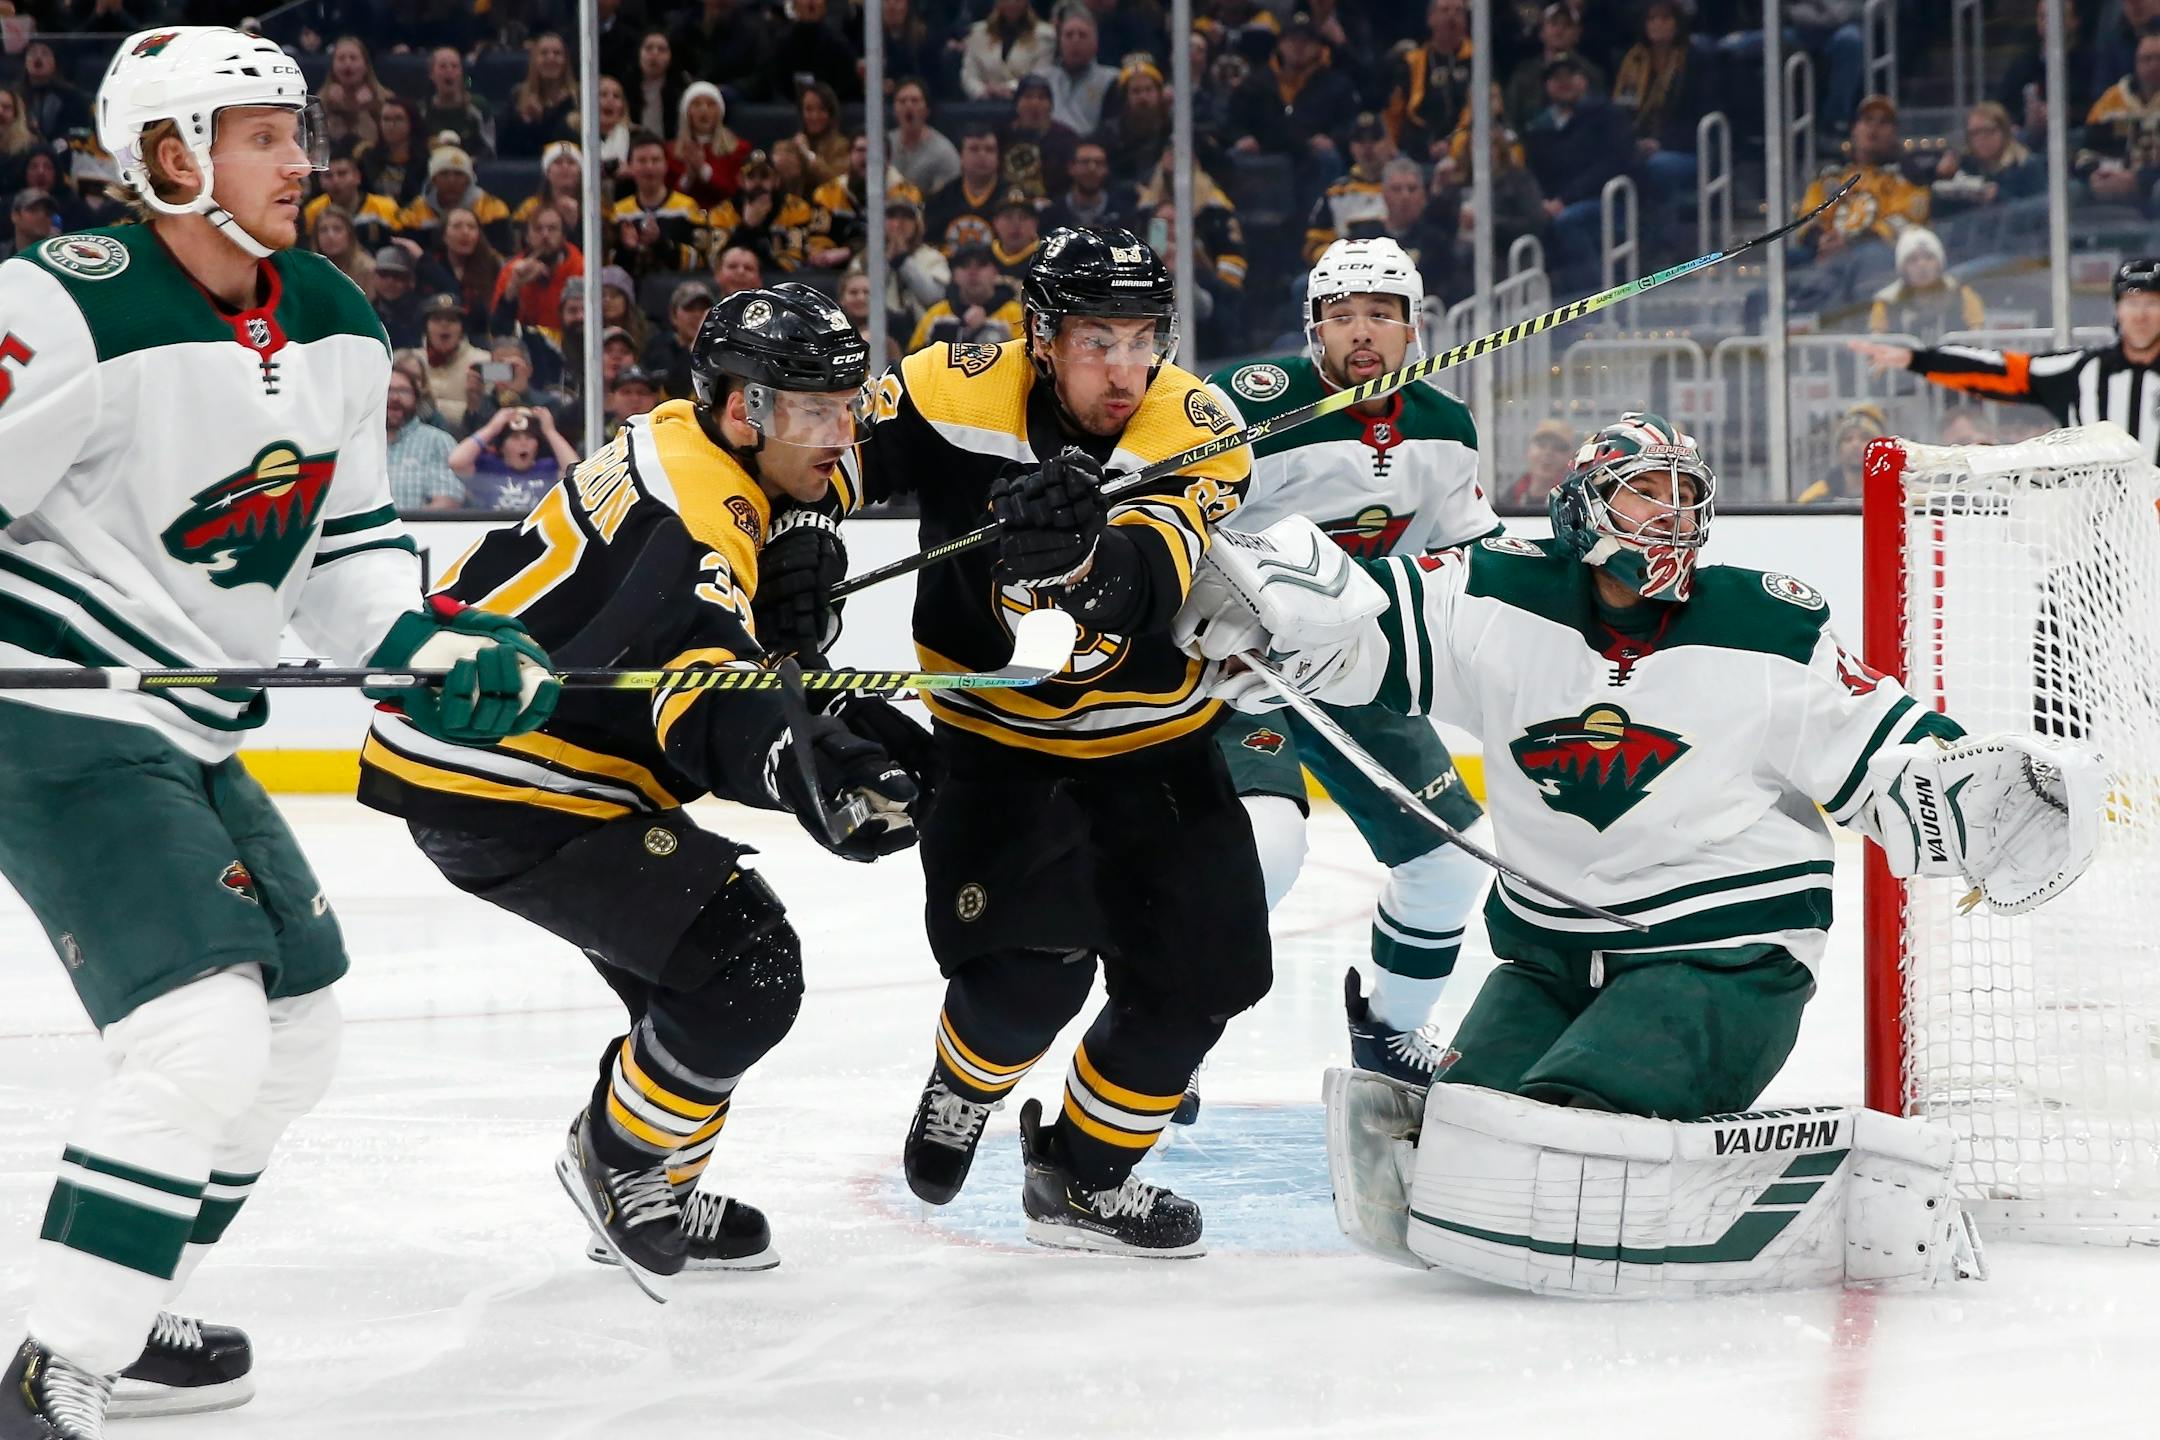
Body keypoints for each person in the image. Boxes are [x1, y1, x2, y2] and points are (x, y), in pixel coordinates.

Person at [1177, 413, 2100, 1296]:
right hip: (1552, 960)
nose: (1671, 512)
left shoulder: (1767, 623)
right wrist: (1267, 604)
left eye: (1682, 492)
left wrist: (1974, 797)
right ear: (1582, 508)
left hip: (1721, 958)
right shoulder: (1500, 592)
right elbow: (1371, 621)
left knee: (1570, 1123)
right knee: (1461, 1135)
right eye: (1643, 492)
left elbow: (1877, 742)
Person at [0, 27, 554, 1435]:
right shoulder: (66, 302)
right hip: (51, 714)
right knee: (200, 1039)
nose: (300, 159)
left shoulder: (330, 317)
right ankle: (51, 1370)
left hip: (187, 721)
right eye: (261, 136)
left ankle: (115, 1316)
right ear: (172, 157)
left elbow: (349, 556)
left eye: (295, 131)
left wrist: (428, 646)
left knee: (296, 1033)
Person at [356, 285, 924, 1299]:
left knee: (692, 980)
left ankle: (651, 1177)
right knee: (744, 971)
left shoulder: (685, 430)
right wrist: (801, 765)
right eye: (818, 412)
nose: (842, 434)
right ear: (746, 410)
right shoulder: (700, 514)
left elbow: (787, 499)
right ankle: (619, 1162)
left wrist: (794, 553)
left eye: (848, 405)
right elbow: (700, 691)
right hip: (504, 777)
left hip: (516, 756)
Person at [834, 227, 1269, 1256]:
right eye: (1096, 342)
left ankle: (1081, 1174)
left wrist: (1090, 556)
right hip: (998, 748)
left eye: (1143, 340)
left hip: (1158, 749)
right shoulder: (949, 388)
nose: (1125, 370)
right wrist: (799, 549)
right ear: (1039, 335)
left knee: (1205, 979)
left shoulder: (1197, 424)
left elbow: (1148, 576)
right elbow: (824, 466)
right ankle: (963, 1087)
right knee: (1027, 979)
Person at [1194, 237, 1492, 1100]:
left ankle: (1392, 1034)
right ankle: (1173, 1024)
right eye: (1342, 316)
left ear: (1413, 327)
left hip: (1356, 662)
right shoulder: (1249, 403)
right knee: (1268, 848)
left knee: (1452, 859)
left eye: (1380, 315)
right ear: (1313, 327)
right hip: (1240, 667)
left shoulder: (1446, 426)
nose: (1361, 333)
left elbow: (1462, 554)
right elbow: (1172, 522)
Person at [1849, 258, 2160, 466]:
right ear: (2117, 310)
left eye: (2151, 303)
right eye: (2131, 303)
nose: (2141, 315)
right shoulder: (2081, 372)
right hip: (2102, 533)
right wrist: (1918, 359)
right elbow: (1997, 369)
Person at [1521, 53, 1633, 294]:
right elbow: (1532, 171)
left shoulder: (1607, 115)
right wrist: (1539, 202)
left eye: (1570, 75)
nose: (1563, 83)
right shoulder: (1538, 126)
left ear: (1583, 80)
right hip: (1555, 202)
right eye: (1556, 78)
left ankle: (1595, 297)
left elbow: (1613, 164)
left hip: (1605, 200)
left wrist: (1565, 199)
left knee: (1568, 222)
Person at [2077, 21, 2160, 211]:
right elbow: (2086, 153)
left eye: (2159, 58)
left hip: (2153, 187)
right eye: (2147, 59)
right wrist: (2094, 175)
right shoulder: (2112, 100)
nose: (2154, 66)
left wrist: (2140, 180)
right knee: (2072, 191)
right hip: (2113, 182)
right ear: (2136, 63)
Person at [609, 128, 707, 280]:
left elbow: (700, 261)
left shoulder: (687, 207)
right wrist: (627, 249)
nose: (649, 167)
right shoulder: (619, 212)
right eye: (642, 161)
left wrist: (661, 244)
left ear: (666, 164)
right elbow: (608, 265)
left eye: (655, 160)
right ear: (630, 166)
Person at [1387, 0, 1475, 165]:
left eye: (1458, 11)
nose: (1451, 16)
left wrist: (1452, 142)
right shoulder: (1413, 61)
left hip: (1464, 153)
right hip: (1417, 151)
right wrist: (1391, 147)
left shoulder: (1478, 60)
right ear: (1430, 18)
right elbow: (1393, 113)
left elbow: (1476, 110)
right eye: (1445, 10)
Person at [1304, 114, 1398, 264]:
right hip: (1345, 271)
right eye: (1360, 141)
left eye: (1375, 140)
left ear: (1389, 144)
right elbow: (1313, 244)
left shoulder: (1404, 187)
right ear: (1352, 147)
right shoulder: (1335, 193)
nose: (1368, 147)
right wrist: (1340, 258)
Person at [447, 403, 577, 511]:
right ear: (502, 447)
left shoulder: (547, 468)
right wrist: (492, 428)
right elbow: (456, 461)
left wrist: (550, 431)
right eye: (515, 438)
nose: (523, 443)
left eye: (530, 437)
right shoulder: (487, 467)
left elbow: (577, 472)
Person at [1864, 227, 1984, 343]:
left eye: (1929, 257)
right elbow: (1876, 343)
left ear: (1939, 263)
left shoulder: (1961, 293)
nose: (1922, 265)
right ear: (1903, 268)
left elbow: (1977, 335)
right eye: (1913, 260)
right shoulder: (1886, 301)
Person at [1930, 101, 2045, 220]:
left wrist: (1998, 196)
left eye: (1987, 131)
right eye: (1974, 133)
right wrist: (1943, 178)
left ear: (2004, 132)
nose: (1980, 139)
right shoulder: (1966, 166)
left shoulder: (2026, 165)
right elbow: (1939, 214)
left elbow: (2040, 211)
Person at [907, 240, 1024, 351]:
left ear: (995, 271)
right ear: (953, 274)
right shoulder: (937, 315)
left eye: (981, 265)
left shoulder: (1016, 314)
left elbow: (1029, 361)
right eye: (964, 265)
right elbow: (912, 359)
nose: (973, 272)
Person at [490, 203, 582, 335]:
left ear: (563, 236)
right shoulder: (512, 271)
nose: (545, 235)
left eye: (552, 229)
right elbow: (499, 331)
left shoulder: (581, 268)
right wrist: (514, 285)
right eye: (538, 229)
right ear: (527, 236)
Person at [384, 366, 463, 510]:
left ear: (416, 398)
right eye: (388, 390)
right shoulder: (356, 443)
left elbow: (448, 501)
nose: (394, 397)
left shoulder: (438, 441)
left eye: (403, 391)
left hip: (420, 530)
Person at [497, 30, 578, 160]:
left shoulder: (578, 99)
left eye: (557, 53)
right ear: (534, 60)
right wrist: (526, 122)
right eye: (544, 53)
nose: (551, 58)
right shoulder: (517, 96)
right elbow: (503, 149)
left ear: (566, 61)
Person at [926, 123, 1004, 255]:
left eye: (989, 150)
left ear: (998, 157)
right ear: (960, 156)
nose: (982, 155)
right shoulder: (940, 199)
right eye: (974, 149)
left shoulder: (1011, 197)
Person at [669, 81, 749, 209]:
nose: (704, 110)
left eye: (711, 104)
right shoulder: (671, 151)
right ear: (686, 112)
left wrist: (703, 171)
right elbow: (667, 199)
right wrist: (688, 178)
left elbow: (735, 194)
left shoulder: (739, 149)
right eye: (696, 104)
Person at [416, 291, 491, 428]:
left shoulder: (486, 361)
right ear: (426, 327)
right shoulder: (411, 361)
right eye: (437, 319)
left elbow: (512, 382)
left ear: (462, 328)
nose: (444, 325)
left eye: (452, 320)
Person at [1039, 4, 1117, 136]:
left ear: (1095, 42)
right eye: (1069, 35)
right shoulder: (1042, 78)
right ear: (1060, 41)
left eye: (1082, 35)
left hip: (1090, 148)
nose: (1075, 40)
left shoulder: (1111, 79)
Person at [303, 149, 401, 251]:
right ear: (320, 181)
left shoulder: (386, 207)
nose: (335, 181)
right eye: (328, 176)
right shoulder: (312, 211)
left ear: (357, 177)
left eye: (342, 174)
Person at [1001, 72, 1076, 200]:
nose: (1035, 103)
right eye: (1028, 96)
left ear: (1051, 106)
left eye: (1042, 97)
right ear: (1017, 103)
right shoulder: (1001, 135)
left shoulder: (1067, 138)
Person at [962, 0, 1056, 102]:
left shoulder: (1045, 35)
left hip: (1027, 103)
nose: (1011, 2)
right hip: (983, 104)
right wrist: (983, 91)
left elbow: (1041, 74)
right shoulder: (977, 33)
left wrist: (1010, 88)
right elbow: (969, 75)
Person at [1795, 401, 1884, 503]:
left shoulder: (1896, 496)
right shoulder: (1814, 498)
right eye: (1847, 439)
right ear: (1838, 450)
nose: (1855, 444)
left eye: (1864, 438)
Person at [888, 77, 961, 199]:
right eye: (902, 101)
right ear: (894, 109)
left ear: (926, 110)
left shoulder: (944, 153)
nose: (908, 105)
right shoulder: (881, 146)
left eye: (915, 100)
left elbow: (945, 202)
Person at [645, 276, 716, 401]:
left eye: (703, 308)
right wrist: (696, 347)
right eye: (690, 308)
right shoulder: (658, 348)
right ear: (673, 315)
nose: (698, 315)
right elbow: (676, 392)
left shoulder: (719, 351)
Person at [416, 46, 493, 159]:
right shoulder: (421, 110)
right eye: (442, 66)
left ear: (461, 73)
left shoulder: (479, 107)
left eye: (454, 66)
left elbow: (489, 148)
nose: (449, 70)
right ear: (431, 74)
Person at [1499, 417, 1575, 511]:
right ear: (1528, 451)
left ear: (1569, 457)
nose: (1548, 453)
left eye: (1558, 447)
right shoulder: (1509, 498)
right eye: (1542, 444)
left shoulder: (1574, 500)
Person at [988, 186, 1043, 279]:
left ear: (1035, 223)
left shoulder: (1046, 259)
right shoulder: (985, 258)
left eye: (1023, 217)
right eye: (1008, 217)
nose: (1015, 225)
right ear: (995, 222)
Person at [1, 187, 56, 263]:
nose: (42, 215)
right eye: (33, 209)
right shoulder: (2, 254)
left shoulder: (58, 258)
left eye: (48, 211)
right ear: (15, 216)